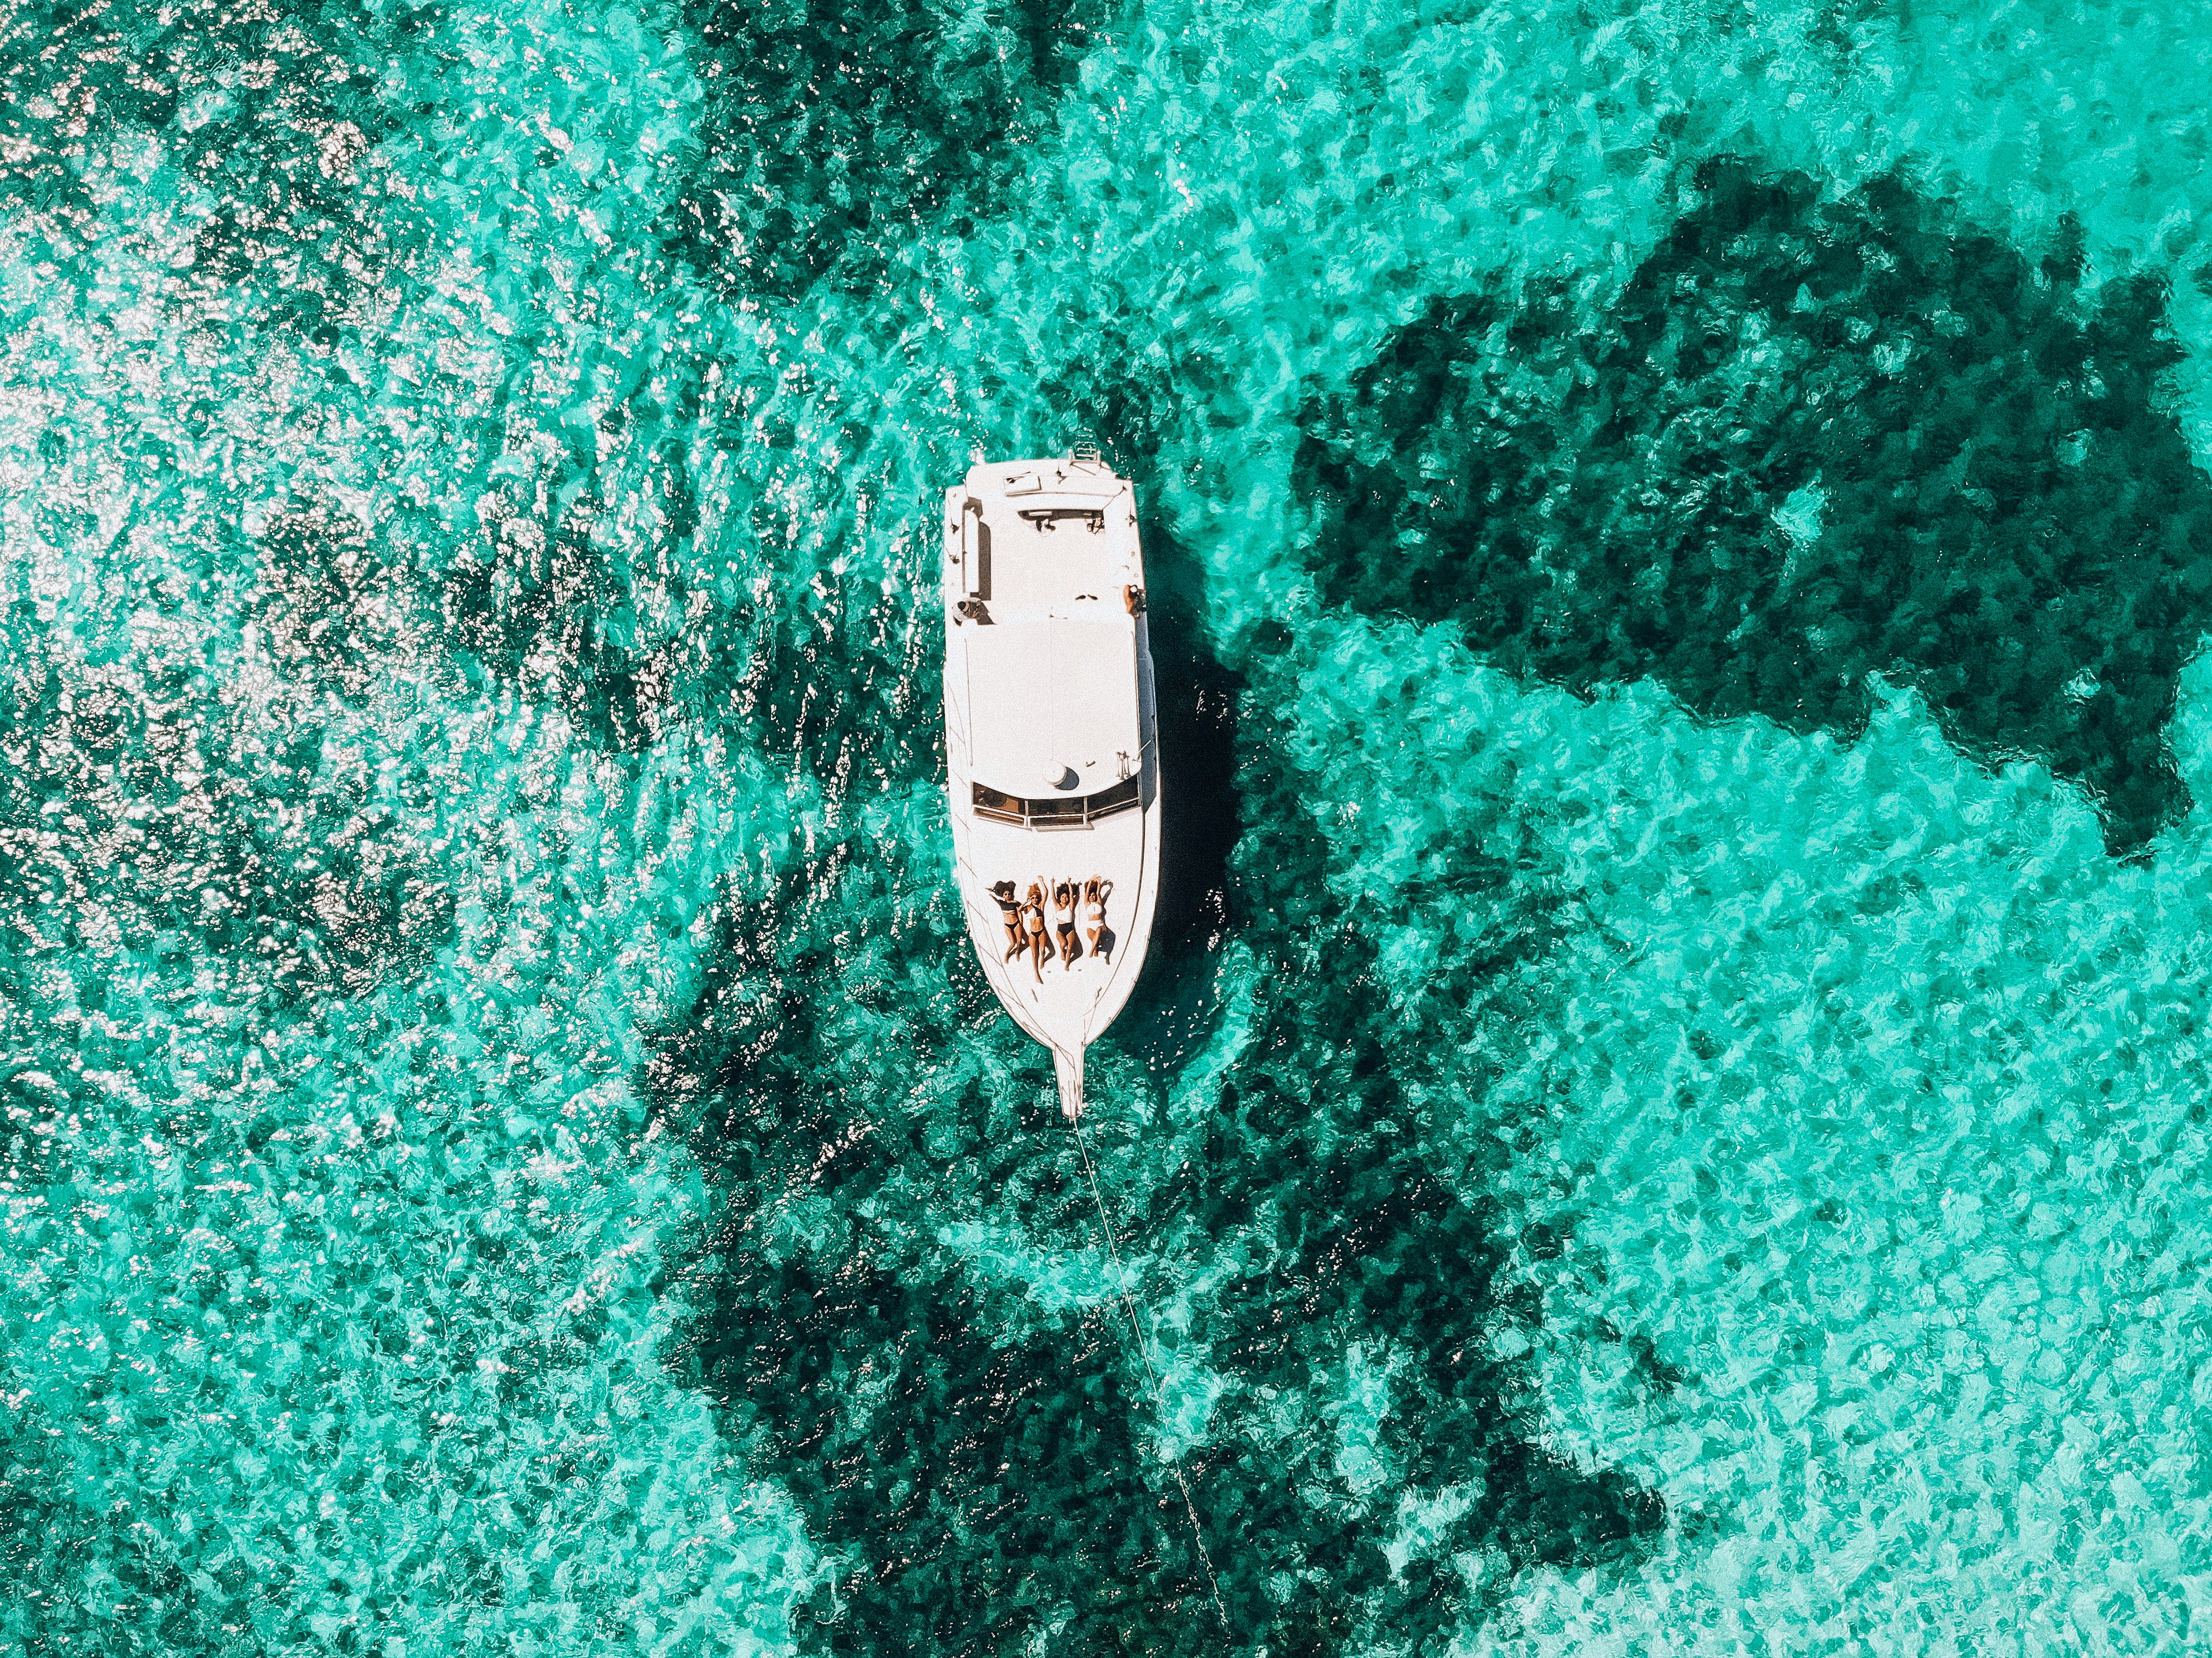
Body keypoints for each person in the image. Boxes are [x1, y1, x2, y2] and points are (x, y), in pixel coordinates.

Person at [1022, 882, 1051, 983]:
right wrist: (1027, 901)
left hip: (1042, 930)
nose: (1035, 899)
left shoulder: (1041, 906)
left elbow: (1046, 893)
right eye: (1033, 898)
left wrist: (1042, 881)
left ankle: (1043, 958)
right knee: (1035, 954)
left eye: (1037, 898)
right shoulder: (1028, 908)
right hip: (1033, 932)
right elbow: (1019, 909)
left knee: (1043, 951)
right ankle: (1036, 973)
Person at [989, 880, 1023, 962]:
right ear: (1003, 896)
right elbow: (994, 898)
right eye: (1006, 894)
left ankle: (1017, 952)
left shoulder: (1015, 903)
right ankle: (1007, 954)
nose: (1008, 895)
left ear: (1012, 895)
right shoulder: (1001, 903)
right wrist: (992, 892)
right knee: (1013, 943)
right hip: (1008, 925)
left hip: (1016, 924)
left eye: (1009, 894)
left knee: (1019, 941)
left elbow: (1023, 908)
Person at [1083, 877, 1113, 962]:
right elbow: (1087, 892)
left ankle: (1098, 952)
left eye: (1093, 895)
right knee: (1096, 942)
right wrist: (1091, 881)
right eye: (1090, 896)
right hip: (1091, 926)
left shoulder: (1099, 903)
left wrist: (1100, 884)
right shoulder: (1087, 903)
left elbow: (1098, 892)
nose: (1092, 897)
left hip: (1101, 925)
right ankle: (1095, 949)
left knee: (1099, 930)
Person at [1053, 881, 1082, 969]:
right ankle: (1062, 951)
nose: (1064, 898)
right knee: (1063, 944)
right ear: (1060, 898)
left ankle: (1067, 964)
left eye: (1066, 897)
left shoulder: (1070, 906)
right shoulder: (1057, 906)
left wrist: (1069, 884)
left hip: (1070, 929)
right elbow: (1053, 896)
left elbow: (1073, 897)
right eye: (1062, 897)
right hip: (1060, 930)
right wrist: (1052, 884)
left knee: (1070, 947)